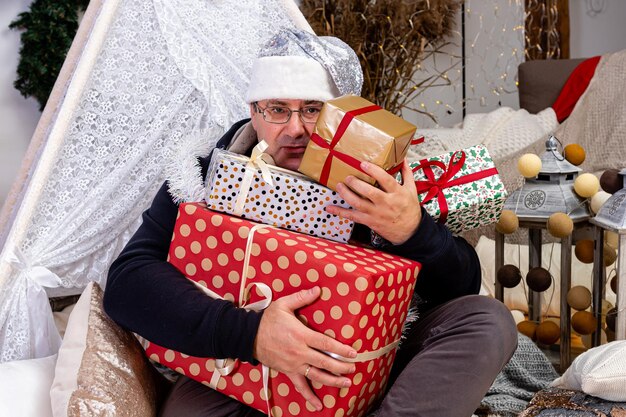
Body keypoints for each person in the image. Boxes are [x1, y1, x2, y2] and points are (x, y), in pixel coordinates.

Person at [104, 27, 517, 417]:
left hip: (375, 360)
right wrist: (251, 335)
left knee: (488, 320)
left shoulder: (380, 180)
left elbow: (460, 288)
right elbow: (127, 282)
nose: (295, 130)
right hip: (246, 371)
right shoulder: (202, 175)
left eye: (314, 110)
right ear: (254, 111)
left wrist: (416, 232)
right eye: (278, 110)